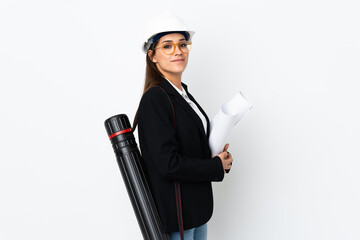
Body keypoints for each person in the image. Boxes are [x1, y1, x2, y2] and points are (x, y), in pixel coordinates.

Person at [136, 12, 233, 240]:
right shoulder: (155, 99)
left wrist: (221, 159)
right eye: (167, 46)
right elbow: (168, 164)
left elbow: (190, 148)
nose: (178, 51)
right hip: (176, 214)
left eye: (183, 44)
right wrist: (214, 167)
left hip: (196, 211)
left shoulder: (182, 94)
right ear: (153, 56)